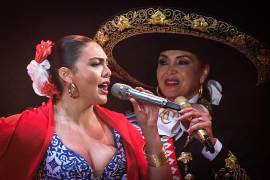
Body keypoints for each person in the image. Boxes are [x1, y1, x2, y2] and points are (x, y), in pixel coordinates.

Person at [94, 7, 270, 179]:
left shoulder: (228, 124)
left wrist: (213, 145)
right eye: (163, 62)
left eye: (183, 62)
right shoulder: (131, 122)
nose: (170, 71)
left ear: (203, 73)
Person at [0, 35, 172, 179]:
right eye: (96, 63)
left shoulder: (121, 127)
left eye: (107, 64)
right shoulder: (25, 128)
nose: (108, 72)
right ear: (66, 75)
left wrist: (150, 131)